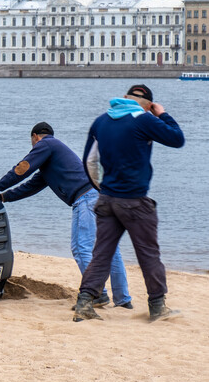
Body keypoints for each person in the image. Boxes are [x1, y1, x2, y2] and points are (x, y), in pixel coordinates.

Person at [0, 122, 132, 309]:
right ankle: (123, 300)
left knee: (81, 248)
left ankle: (96, 294)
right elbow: (31, 186)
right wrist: (4, 197)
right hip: (102, 196)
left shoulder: (46, 144)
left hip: (86, 198)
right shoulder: (52, 159)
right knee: (110, 250)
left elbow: (22, 168)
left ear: (35, 137)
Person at [71, 84, 185, 323]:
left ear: (124, 98)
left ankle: (84, 303)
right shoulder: (144, 119)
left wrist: (101, 189)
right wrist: (162, 113)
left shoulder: (101, 121)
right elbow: (177, 139)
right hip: (134, 201)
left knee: (102, 253)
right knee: (148, 254)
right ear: (148, 105)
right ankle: (157, 306)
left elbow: (89, 162)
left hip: (107, 200)